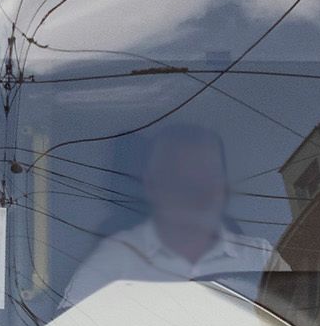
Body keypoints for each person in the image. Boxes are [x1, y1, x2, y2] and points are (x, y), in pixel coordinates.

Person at [59, 121, 276, 303]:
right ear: (153, 186)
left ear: (222, 185)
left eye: (205, 175)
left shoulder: (260, 258)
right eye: (179, 178)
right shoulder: (114, 261)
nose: (193, 190)